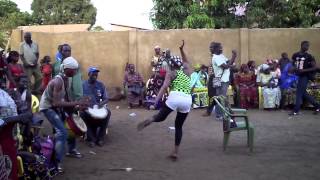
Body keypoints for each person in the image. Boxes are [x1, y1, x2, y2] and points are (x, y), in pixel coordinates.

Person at [137, 40, 192, 161]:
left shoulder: (171, 72)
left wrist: (155, 102)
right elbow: (186, 61)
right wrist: (182, 49)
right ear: (180, 64)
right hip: (187, 100)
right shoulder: (187, 71)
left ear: (172, 64)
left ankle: (152, 119)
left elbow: (164, 87)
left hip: (175, 96)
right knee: (179, 126)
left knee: (161, 117)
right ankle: (176, 152)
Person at [39, 57, 89, 173]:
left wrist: (77, 107)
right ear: (66, 69)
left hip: (57, 106)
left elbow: (66, 98)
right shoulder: (58, 81)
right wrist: (77, 102)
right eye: (73, 70)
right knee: (62, 132)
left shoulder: (67, 79)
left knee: (72, 125)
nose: (75, 72)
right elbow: (56, 103)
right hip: (48, 107)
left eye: (76, 70)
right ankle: (56, 163)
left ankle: (71, 150)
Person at [81, 67, 111, 147]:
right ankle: (92, 139)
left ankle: (100, 138)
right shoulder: (83, 85)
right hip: (87, 108)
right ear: (88, 74)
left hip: (97, 108)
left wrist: (100, 104)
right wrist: (84, 105)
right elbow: (79, 98)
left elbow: (106, 99)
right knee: (82, 114)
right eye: (93, 73)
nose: (95, 75)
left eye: (96, 73)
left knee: (108, 112)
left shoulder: (100, 85)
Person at [290, 41, 320, 115]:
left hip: (305, 76)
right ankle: (317, 106)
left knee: (299, 93)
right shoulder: (295, 55)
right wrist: (293, 68)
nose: (307, 47)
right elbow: (293, 63)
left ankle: (296, 110)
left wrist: (304, 70)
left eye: (308, 46)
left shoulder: (309, 56)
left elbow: (314, 68)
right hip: (297, 76)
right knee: (303, 93)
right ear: (302, 45)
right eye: (306, 45)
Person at [210, 42, 237, 119]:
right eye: (220, 47)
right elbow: (225, 66)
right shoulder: (215, 57)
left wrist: (232, 60)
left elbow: (228, 62)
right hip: (221, 80)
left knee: (221, 97)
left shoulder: (221, 56)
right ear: (216, 49)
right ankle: (220, 115)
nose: (221, 48)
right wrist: (234, 56)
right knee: (221, 97)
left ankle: (222, 113)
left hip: (221, 79)